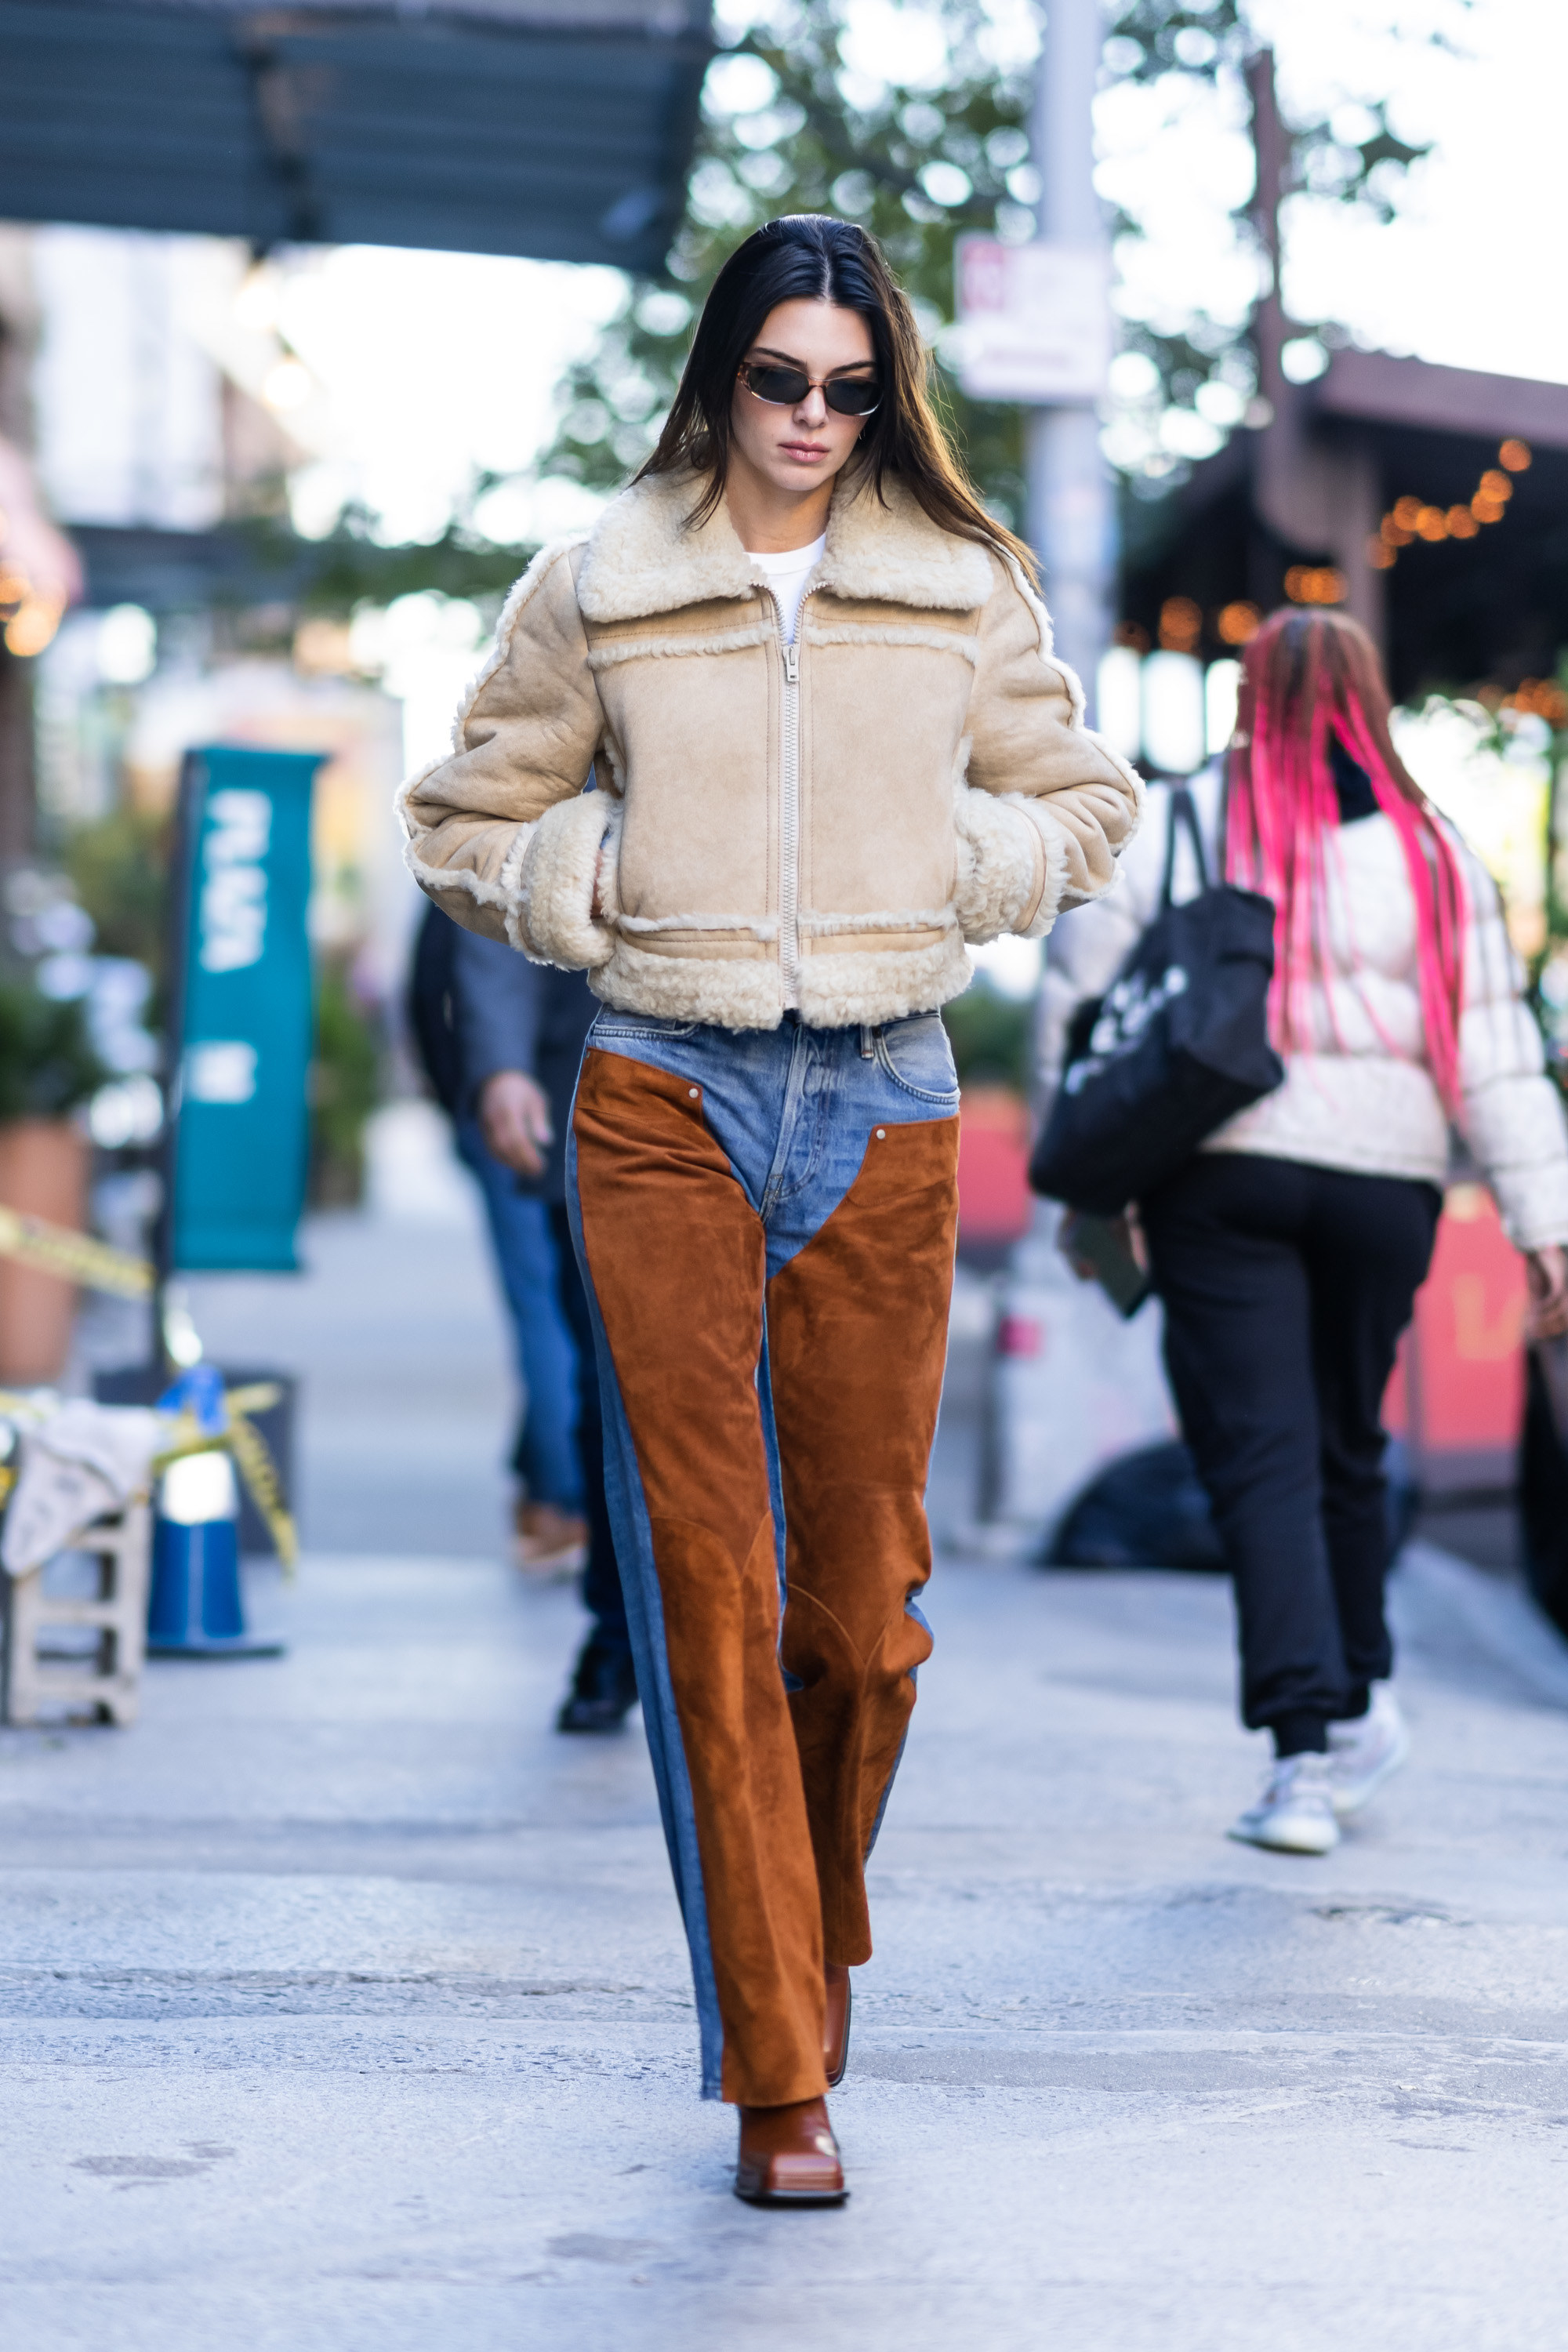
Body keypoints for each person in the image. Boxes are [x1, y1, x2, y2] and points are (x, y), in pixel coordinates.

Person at [399, 213, 1141, 2203]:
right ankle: (778, 2066)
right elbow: (460, 815)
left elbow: (1082, 804)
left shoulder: (957, 583)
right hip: (662, 1093)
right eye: (774, 379)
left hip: (888, 1093)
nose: (809, 419)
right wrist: (597, 880)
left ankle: (795, 1938)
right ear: (717, 377)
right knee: (705, 1592)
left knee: (862, 1621)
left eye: (847, 384)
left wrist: (950, 860)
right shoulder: (605, 582)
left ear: (883, 391)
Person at [1039, 607, 1568, 1857]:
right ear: (1371, 697)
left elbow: (1085, 1007)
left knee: (1263, 1456)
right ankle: (1361, 1694)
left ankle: (1306, 1759)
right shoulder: (1436, 849)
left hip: (1223, 1173)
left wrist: (1088, 1188)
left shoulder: (1177, 820)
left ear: (1248, 696)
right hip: (1386, 1187)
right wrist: (1547, 1222)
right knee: (1341, 1442)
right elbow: (1496, 1051)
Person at [448, 924, 640, 1733]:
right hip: (599, 1097)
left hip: (789, 1094)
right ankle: (619, 1634)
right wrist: (500, 1068)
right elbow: (497, 898)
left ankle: (767, 1630)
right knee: (612, 1391)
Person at [408, 903, 588, 1575]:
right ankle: (554, 1488)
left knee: (543, 1305)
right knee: (580, 1307)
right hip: (591, 1092)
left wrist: (460, 1096)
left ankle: (561, 1499)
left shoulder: (496, 827)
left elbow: (428, 987)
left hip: (512, 1102)